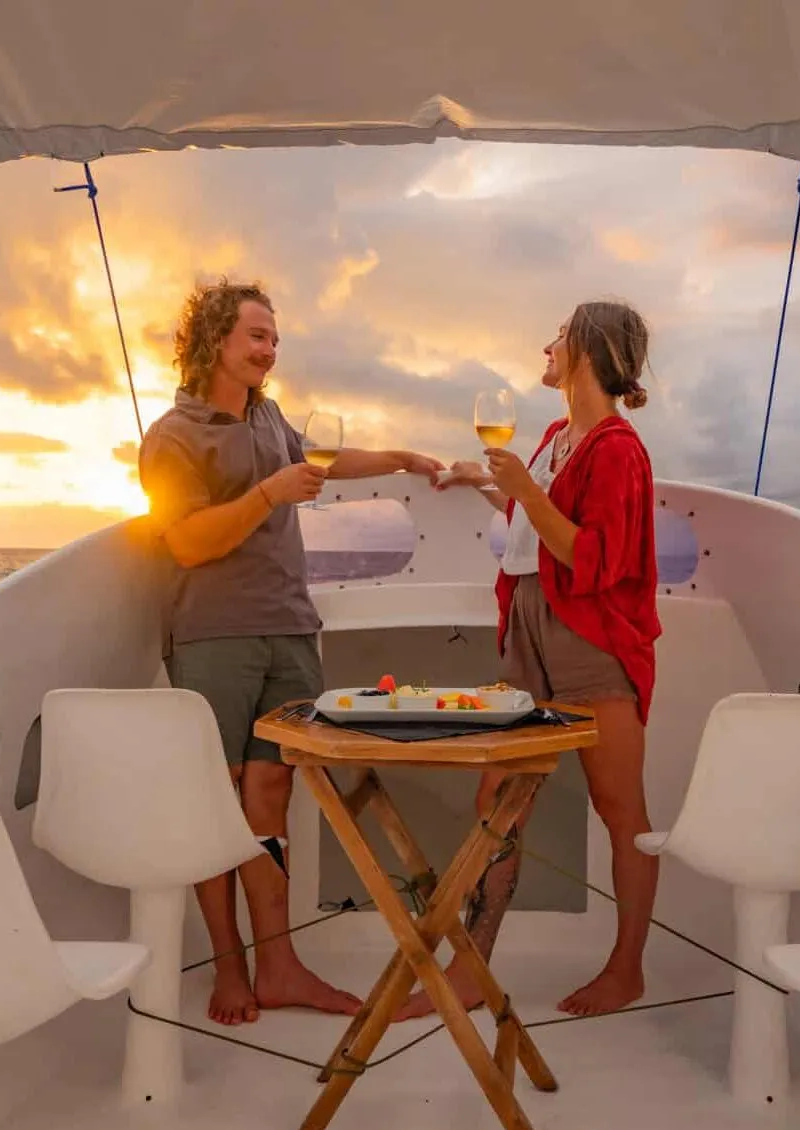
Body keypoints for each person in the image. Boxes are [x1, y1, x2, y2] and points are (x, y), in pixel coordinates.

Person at [138, 278, 443, 1026]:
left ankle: (279, 966)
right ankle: (231, 967)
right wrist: (270, 496)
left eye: (275, 338)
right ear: (215, 340)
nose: (270, 350)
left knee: (270, 796)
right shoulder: (173, 435)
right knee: (219, 802)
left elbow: (325, 463)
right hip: (216, 634)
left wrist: (403, 455)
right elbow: (186, 541)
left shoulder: (271, 415)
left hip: (289, 627)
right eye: (257, 336)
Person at [399, 298, 662, 1019]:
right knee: (498, 803)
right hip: (528, 626)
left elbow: (593, 557)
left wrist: (519, 487)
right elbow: (535, 526)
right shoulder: (556, 435)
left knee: (621, 811)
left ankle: (627, 969)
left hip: (591, 636)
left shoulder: (617, 448)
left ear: (586, 348)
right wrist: (489, 484)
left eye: (558, 336)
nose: (545, 346)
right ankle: (468, 970)